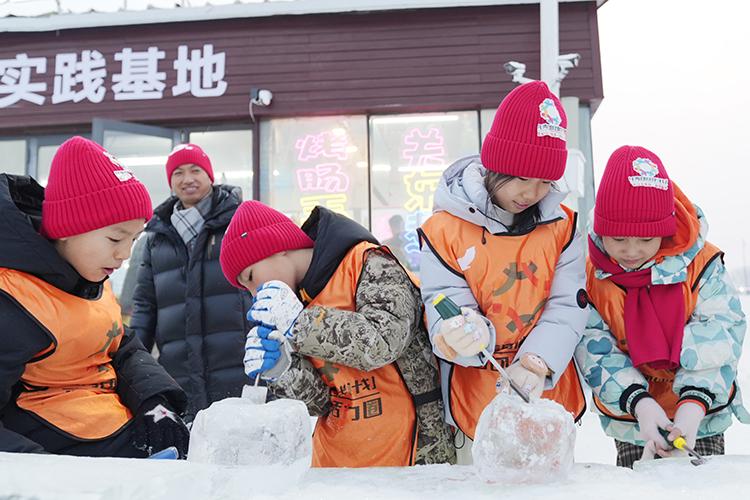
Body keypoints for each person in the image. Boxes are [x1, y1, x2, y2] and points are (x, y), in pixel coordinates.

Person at [417, 81, 588, 464]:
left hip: (545, 392)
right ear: (496, 165)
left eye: (545, 181)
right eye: (522, 177)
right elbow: (442, 300)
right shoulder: (445, 230)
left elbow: (568, 305)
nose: (532, 193)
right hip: (475, 399)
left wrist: (536, 362)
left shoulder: (564, 228)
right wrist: (460, 334)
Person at [219, 201, 455, 467]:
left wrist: (300, 323)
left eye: (250, 276)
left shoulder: (369, 262)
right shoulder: (292, 303)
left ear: (276, 247)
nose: (254, 293)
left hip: (412, 454)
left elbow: (385, 341)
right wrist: (283, 369)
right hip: (337, 463)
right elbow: (320, 404)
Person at [0, 137, 190, 457]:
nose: (124, 254)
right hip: (67, 457)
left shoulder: (91, 280)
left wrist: (154, 401)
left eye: (133, 240)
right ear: (67, 228)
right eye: (115, 238)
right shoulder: (13, 299)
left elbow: (121, 347)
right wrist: (44, 472)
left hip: (117, 432)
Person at [575, 145, 749, 468]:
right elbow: (593, 345)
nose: (631, 251)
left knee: (700, 487)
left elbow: (719, 332)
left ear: (664, 231)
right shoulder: (591, 276)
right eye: (618, 239)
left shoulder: (701, 265)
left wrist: (693, 406)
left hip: (701, 415)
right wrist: (639, 403)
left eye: (645, 239)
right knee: (641, 486)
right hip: (635, 419)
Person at [129, 144, 253, 421]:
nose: (187, 179)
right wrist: (134, 362)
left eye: (195, 170)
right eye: (178, 173)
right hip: (179, 369)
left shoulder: (238, 221)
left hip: (236, 362)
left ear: (209, 175)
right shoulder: (156, 238)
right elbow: (145, 306)